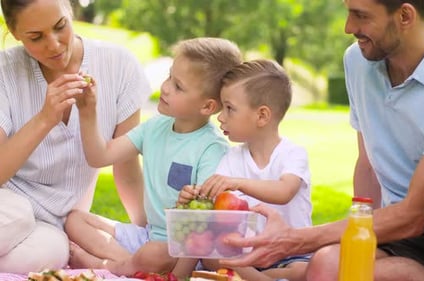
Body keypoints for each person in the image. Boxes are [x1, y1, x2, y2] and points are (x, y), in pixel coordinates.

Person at [219, 0, 424, 280]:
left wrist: (296, 238)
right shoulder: (359, 61)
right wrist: (359, 238)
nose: (348, 27)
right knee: (325, 267)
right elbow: (367, 165)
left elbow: (416, 215)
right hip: (403, 232)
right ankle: (412, 273)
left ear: (404, 16)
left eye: (361, 16)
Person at [63, 37, 243, 277]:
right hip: (148, 236)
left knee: (155, 254)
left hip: (180, 251)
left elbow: (201, 229)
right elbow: (100, 156)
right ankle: (130, 263)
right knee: (75, 220)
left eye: (178, 86)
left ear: (207, 107)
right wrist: (87, 112)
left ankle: (110, 267)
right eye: (169, 77)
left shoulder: (212, 149)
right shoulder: (155, 127)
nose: (166, 87)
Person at [0, 0, 150, 273]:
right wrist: (46, 117)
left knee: (53, 254)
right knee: (17, 215)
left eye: (60, 27)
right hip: (6, 205)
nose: (54, 45)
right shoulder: (4, 71)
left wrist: (148, 235)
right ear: (13, 30)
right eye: (36, 37)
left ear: (70, 11)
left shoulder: (119, 65)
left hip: (53, 226)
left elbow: (126, 168)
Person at [177, 59, 312, 281]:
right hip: (247, 254)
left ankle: (256, 276)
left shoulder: (293, 154)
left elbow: (284, 191)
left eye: (229, 108)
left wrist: (238, 183)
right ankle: (262, 277)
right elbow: (212, 209)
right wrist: (190, 199)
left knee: (303, 270)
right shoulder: (231, 158)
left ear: (262, 116)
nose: (220, 116)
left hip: (290, 254)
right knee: (210, 253)